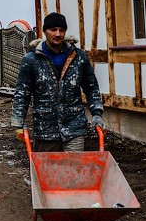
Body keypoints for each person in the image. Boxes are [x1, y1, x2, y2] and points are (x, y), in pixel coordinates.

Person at [11, 12, 104, 152]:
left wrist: (97, 113)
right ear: (45, 32)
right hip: (45, 129)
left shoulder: (78, 57)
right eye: (53, 29)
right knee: (48, 171)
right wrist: (18, 122)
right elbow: (22, 93)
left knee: (74, 169)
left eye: (61, 30)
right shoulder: (32, 60)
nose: (58, 34)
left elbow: (91, 87)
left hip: (74, 126)